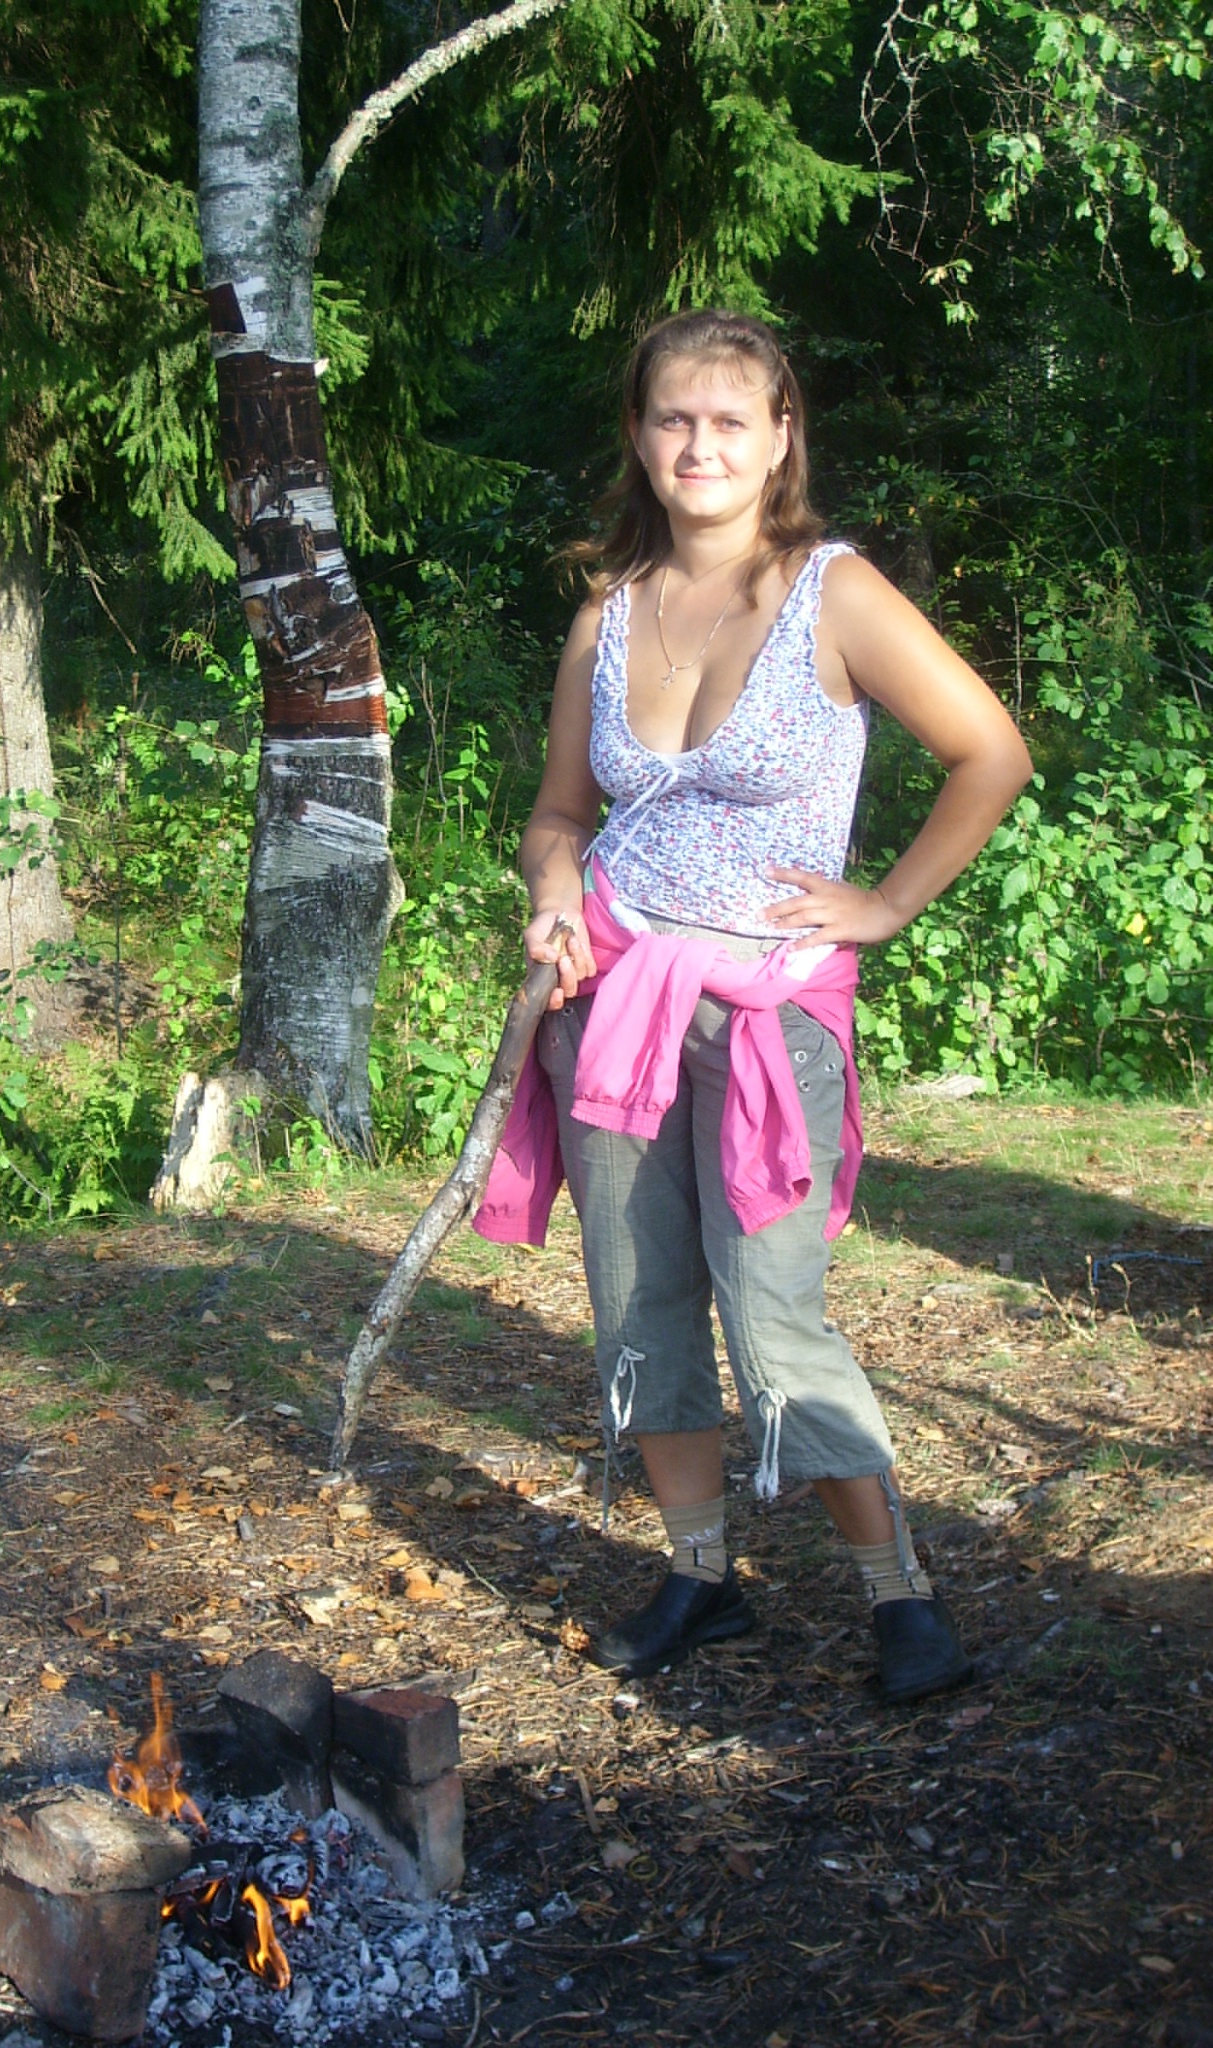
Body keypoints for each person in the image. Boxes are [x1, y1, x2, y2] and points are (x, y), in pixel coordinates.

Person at [474, 309, 1032, 1703]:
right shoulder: (607, 611)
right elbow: (559, 812)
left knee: (773, 1313)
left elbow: (990, 751)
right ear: (638, 435)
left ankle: (896, 1590)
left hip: (767, 1015)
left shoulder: (837, 595)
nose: (700, 446)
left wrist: (885, 902)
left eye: (732, 420)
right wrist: (553, 894)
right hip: (609, 1003)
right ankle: (700, 1575)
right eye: (674, 418)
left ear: (782, 437)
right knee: (639, 1301)